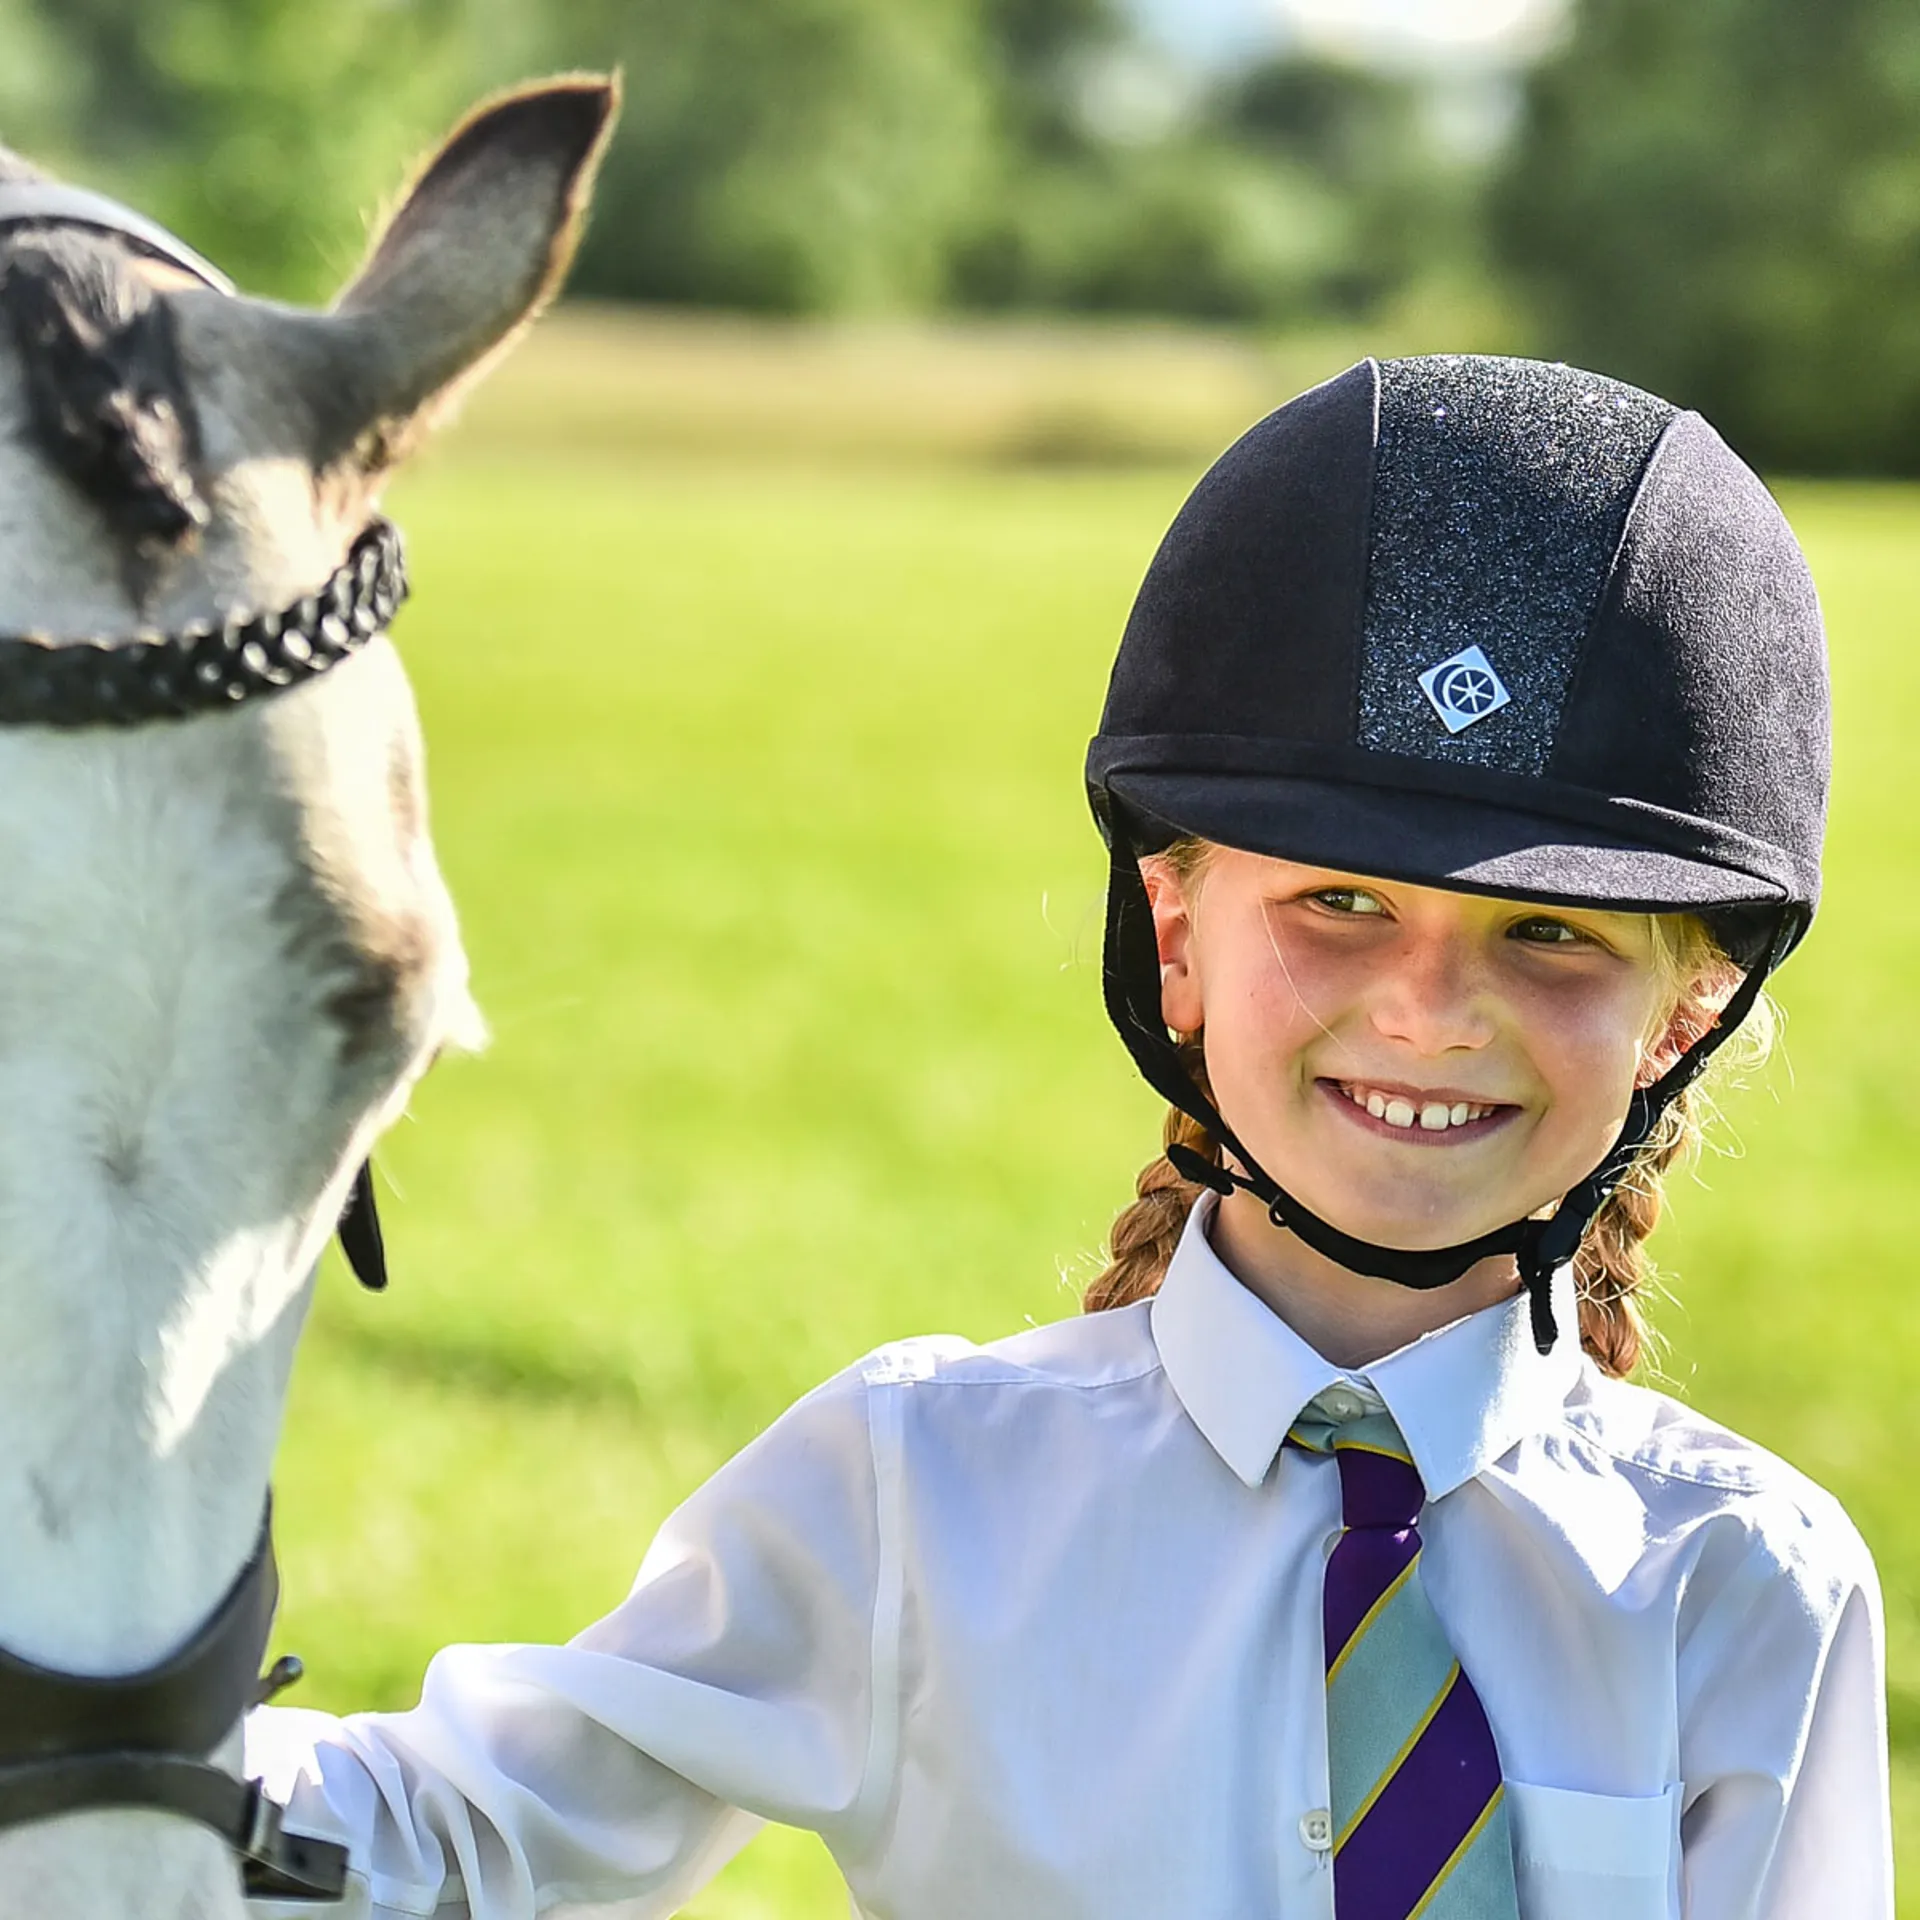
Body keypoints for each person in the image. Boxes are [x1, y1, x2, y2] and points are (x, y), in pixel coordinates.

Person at [247, 355, 1892, 1919]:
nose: (1428, 1014)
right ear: (1174, 933)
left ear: (1686, 1011)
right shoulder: (918, 1490)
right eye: (1339, 904)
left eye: (1549, 937)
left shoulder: (1747, 1587)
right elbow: (458, 1845)